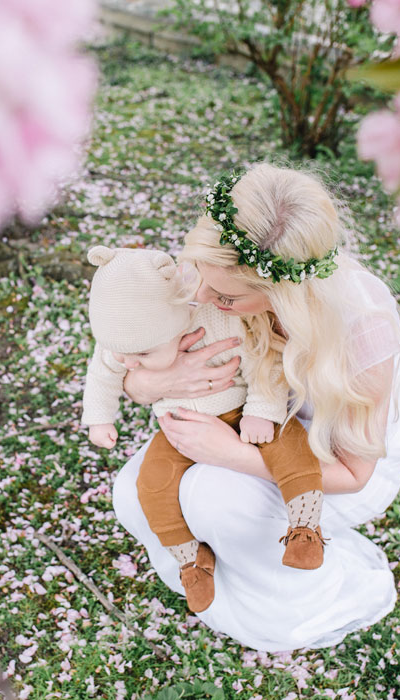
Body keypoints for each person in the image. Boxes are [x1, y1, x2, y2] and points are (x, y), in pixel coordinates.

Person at [111, 163, 400, 651]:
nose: (198, 297)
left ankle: (308, 592)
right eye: (201, 276)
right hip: (243, 422)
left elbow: (355, 473)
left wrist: (230, 455)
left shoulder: (359, 327)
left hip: (328, 459)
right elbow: (127, 376)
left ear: (281, 292)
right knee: (132, 493)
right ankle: (221, 582)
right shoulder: (217, 265)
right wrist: (159, 379)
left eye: (224, 297)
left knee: (214, 497)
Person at [80, 245, 325, 613]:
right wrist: (100, 418)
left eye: (142, 356)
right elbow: (102, 375)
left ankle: (305, 528)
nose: (131, 363)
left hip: (240, 411)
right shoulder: (122, 339)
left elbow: (264, 359)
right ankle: (192, 562)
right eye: (123, 355)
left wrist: (262, 410)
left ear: (176, 322)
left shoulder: (217, 321)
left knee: (290, 446)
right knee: (150, 483)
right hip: (180, 427)